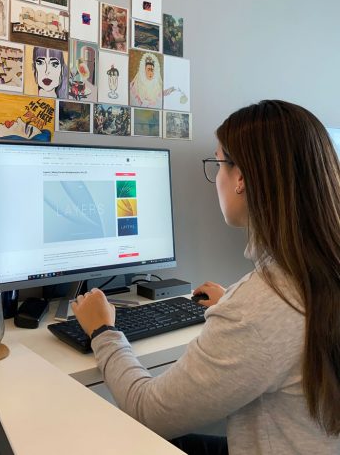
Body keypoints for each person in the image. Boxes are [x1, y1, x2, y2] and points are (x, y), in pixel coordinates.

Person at [71, 100, 340, 455]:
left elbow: (147, 411)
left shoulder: (257, 309)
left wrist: (102, 332)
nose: (217, 179)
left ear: (241, 177)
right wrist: (235, 302)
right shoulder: (315, 276)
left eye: (218, 164)